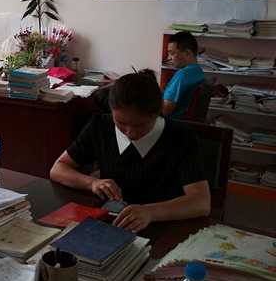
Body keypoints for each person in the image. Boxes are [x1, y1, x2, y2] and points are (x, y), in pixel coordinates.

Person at [49, 70, 210, 233]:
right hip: (112, 223)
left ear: (159, 109)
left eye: (141, 125)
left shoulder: (180, 136)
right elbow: (58, 169)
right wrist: (92, 183)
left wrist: (151, 212)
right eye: (120, 123)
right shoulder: (100, 127)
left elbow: (201, 202)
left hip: (161, 225)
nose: (130, 133)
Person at [163, 31, 206, 120]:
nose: (169, 58)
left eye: (172, 53)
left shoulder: (182, 76)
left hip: (172, 125)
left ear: (187, 53)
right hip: (185, 125)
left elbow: (163, 112)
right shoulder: (199, 72)